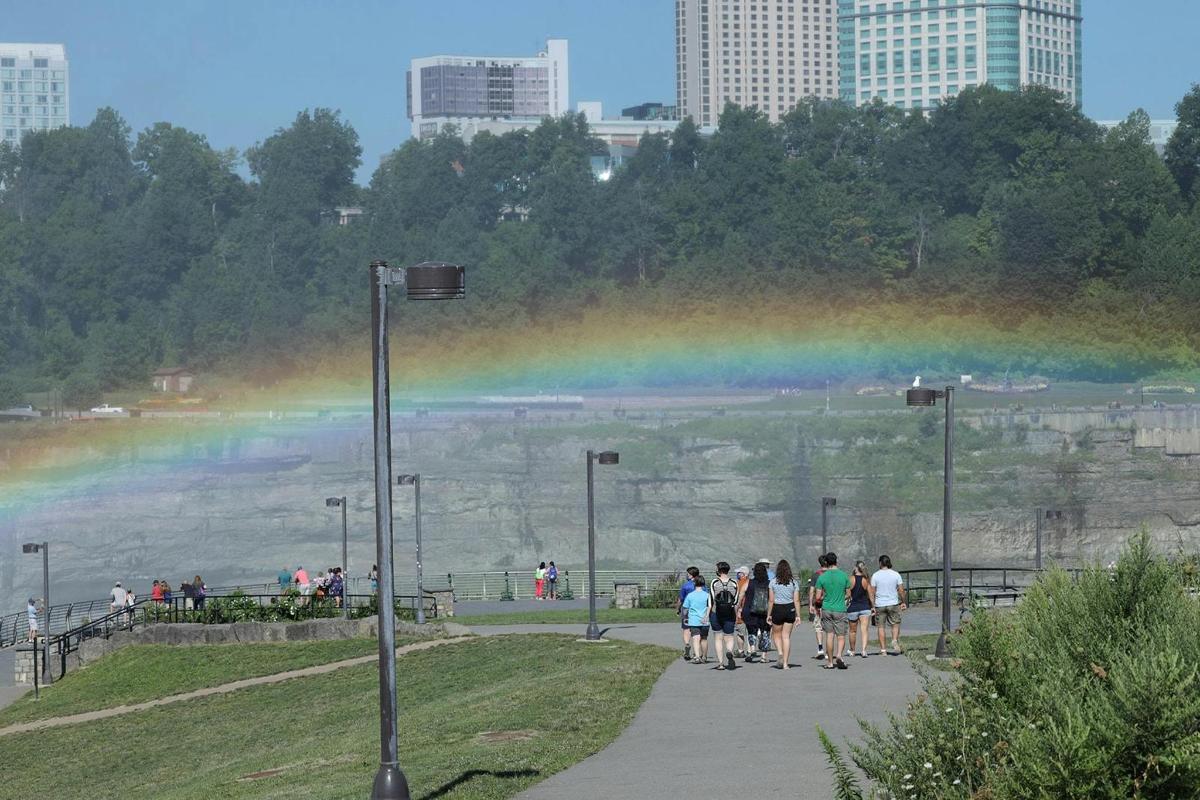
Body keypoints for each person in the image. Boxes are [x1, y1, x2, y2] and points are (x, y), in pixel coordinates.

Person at [815, 552, 852, 670]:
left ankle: (830, 662)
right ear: (836, 561)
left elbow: (817, 597)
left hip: (826, 608)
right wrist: (842, 597)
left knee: (829, 635)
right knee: (841, 636)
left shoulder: (822, 577)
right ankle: (839, 655)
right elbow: (848, 594)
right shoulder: (844, 575)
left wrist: (824, 598)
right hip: (840, 608)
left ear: (826, 562)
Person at [871, 555, 908, 655]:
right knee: (895, 624)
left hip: (880, 604)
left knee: (881, 627)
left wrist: (872, 605)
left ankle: (883, 650)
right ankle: (894, 640)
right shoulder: (896, 574)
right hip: (893, 603)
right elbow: (901, 590)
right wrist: (903, 602)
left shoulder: (875, 575)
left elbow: (872, 592)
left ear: (880, 563)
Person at [767, 560, 800, 669]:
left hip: (778, 608)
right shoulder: (794, 582)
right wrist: (798, 615)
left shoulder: (773, 582)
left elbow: (771, 600)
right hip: (790, 608)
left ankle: (780, 653)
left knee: (776, 634)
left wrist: (769, 614)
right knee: (786, 637)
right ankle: (785, 663)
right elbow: (797, 600)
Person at [709, 562, 741, 671]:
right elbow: (736, 600)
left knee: (718, 638)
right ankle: (729, 651)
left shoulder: (715, 582)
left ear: (719, 570)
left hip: (716, 613)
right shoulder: (734, 583)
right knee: (729, 636)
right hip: (729, 613)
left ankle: (721, 663)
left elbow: (712, 598)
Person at [741, 562, 772, 663]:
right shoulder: (770, 583)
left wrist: (738, 608)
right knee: (765, 632)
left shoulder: (748, 582)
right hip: (765, 612)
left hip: (750, 611)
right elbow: (773, 598)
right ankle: (763, 656)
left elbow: (740, 596)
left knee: (751, 631)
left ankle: (752, 648)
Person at [847, 561, 874, 658]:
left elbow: (848, 595)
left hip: (853, 607)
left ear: (855, 568)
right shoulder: (866, 580)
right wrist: (873, 606)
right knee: (864, 630)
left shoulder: (850, 579)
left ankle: (852, 650)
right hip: (865, 607)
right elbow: (871, 595)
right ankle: (864, 650)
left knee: (852, 631)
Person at [682, 575, 711, 664]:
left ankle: (697, 656)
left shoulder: (690, 595)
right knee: (704, 639)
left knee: (695, 638)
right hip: (705, 620)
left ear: (694, 583)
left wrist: (685, 617)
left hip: (694, 620)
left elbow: (685, 608)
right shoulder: (707, 595)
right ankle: (705, 656)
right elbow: (709, 606)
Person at [807, 554, 829, 660]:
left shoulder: (816, 575)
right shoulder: (831, 574)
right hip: (830, 604)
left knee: (818, 627)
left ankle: (820, 648)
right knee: (830, 628)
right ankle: (830, 650)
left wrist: (810, 604)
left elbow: (812, 591)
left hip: (819, 604)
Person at [676, 566, 700, 661]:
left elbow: (681, 599)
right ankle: (696, 651)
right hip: (698, 609)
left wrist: (678, 609)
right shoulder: (702, 586)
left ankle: (687, 644)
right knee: (697, 631)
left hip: (686, 609)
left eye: (688, 574)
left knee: (686, 629)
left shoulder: (686, 586)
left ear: (691, 575)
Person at [732, 565, 750, 657]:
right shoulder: (751, 583)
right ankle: (751, 650)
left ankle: (740, 650)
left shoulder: (737, 584)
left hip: (740, 610)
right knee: (750, 632)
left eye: (739, 572)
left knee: (740, 632)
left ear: (743, 574)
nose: (737, 574)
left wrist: (738, 609)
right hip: (750, 610)